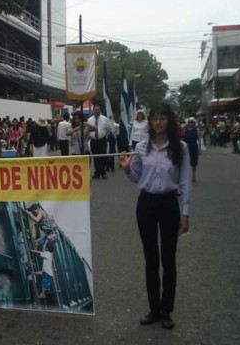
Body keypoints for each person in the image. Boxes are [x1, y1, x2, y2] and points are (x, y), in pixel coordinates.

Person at [119, 103, 192, 330]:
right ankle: (154, 309)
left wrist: (185, 212)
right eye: (154, 118)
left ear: (169, 121)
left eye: (162, 118)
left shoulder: (180, 147)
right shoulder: (142, 147)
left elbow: (185, 182)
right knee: (151, 258)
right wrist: (127, 169)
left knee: (168, 259)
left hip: (169, 203)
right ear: (150, 122)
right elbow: (137, 177)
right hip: (147, 204)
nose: (158, 122)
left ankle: (166, 311)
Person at [86, 105, 112, 179]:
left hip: (102, 140)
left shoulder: (105, 119)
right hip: (93, 140)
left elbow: (108, 129)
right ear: (93, 111)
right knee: (95, 156)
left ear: (100, 110)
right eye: (95, 110)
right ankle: (97, 172)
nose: (96, 111)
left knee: (102, 156)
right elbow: (87, 129)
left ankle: (103, 172)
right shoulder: (90, 119)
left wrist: (104, 135)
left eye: (98, 109)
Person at [184, 117, 201, 182]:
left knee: (194, 163)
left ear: (194, 123)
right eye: (189, 122)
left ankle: (193, 176)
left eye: (191, 122)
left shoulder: (197, 130)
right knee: (186, 162)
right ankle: (186, 176)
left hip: (194, 146)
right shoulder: (185, 130)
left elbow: (199, 140)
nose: (190, 123)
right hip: (186, 146)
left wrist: (199, 149)